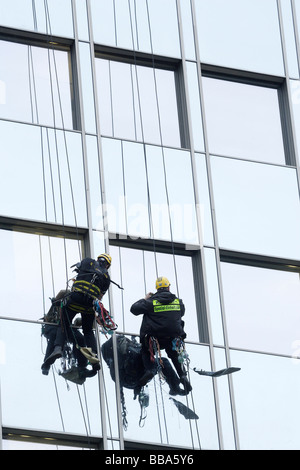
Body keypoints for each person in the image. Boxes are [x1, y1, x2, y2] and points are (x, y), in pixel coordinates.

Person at [43, 253, 112, 369]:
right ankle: (93, 354)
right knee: (88, 331)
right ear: (107, 265)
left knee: (63, 324)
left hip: (75, 299)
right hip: (89, 305)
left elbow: (78, 269)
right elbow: (99, 297)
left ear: (97, 259)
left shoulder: (88, 261)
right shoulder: (106, 277)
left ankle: (58, 348)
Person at [130, 276, 192, 393]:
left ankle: (149, 370)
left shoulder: (150, 302)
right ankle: (182, 375)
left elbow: (134, 309)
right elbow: (181, 313)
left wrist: (145, 298)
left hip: (154, 338)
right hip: (172, 338)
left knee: (146, 350)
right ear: (168, 287)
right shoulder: (178, 302)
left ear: (157, 289)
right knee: (174, 354)